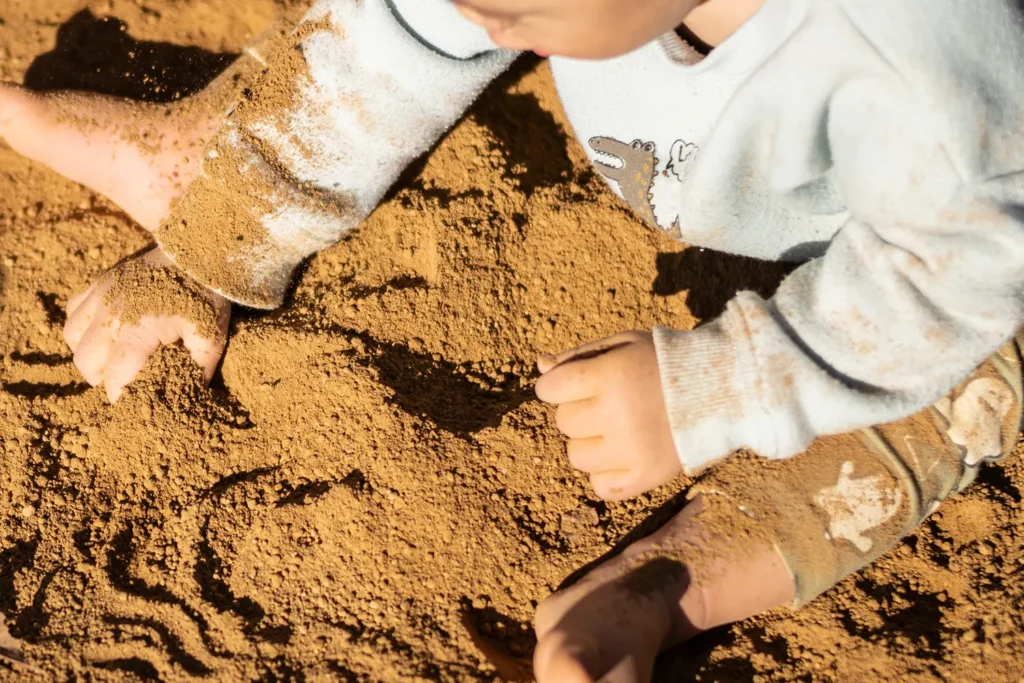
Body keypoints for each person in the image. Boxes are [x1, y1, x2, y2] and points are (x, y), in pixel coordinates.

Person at [2, 0, 1023, 680]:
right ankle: (211, 176)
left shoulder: (933, 67)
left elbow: (959, 268)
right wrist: (217, 240)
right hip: (754, 165)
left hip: (953, 251)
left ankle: (681, 581)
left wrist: (716, 387)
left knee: (968, 374)